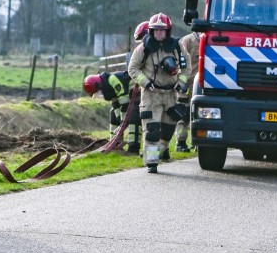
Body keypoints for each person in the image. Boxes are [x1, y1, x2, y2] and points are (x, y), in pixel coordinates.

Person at [129, 13, 186, 173]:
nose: (159, 33)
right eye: (156, 30)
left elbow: (186, 67)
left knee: (168, 131)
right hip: (151, 95)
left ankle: (157, 154)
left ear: (168, 31)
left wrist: (180, 82)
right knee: (152, 131)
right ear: (151, 31)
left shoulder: (177, 47)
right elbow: (132, 68)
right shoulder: (143, 48)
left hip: (170, 95)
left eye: (162, 30)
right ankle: (152, 162)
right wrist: (145, 82)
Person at [83, 71, 140, 152]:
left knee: (133, 116)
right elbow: (116, 104)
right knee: (113, 114)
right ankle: (114, 144)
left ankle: (133, 148)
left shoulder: (113, 80)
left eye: (97, 91)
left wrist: (123, 122)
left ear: (99, 85)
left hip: (137, 94)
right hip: (128, 98)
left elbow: (124, 103)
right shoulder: (107, 87)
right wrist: (119, 119)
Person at [174, 29, 200, 153]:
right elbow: (178, 59)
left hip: (199, 83)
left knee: (198, 113)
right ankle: (180, 142)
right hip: (185, 82)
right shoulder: (188, 40)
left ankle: (197, 141)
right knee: (182, 112)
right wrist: (180, 80)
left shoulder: (209, 40)